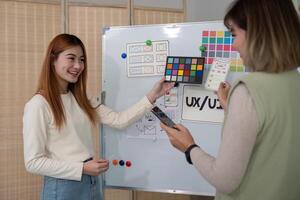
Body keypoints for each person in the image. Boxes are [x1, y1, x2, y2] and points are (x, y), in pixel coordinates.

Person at [161, 0, 300, 199]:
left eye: (234, 34)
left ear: (258, 33)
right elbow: (272, 135)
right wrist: (230, 108)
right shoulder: (294, 80)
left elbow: (225, 179)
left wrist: (189, 148)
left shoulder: (247, 91)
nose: (233, 45)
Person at [22, 33, 174, 200]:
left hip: (92, 180)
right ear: (53, 60)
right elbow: (33, 162)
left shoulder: (82, 98)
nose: (78, 66)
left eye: (81, 60)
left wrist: (153, 95)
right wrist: (82, 168)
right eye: (71, 58)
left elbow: (119, 120)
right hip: (64, 186)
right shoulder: (38, 105)